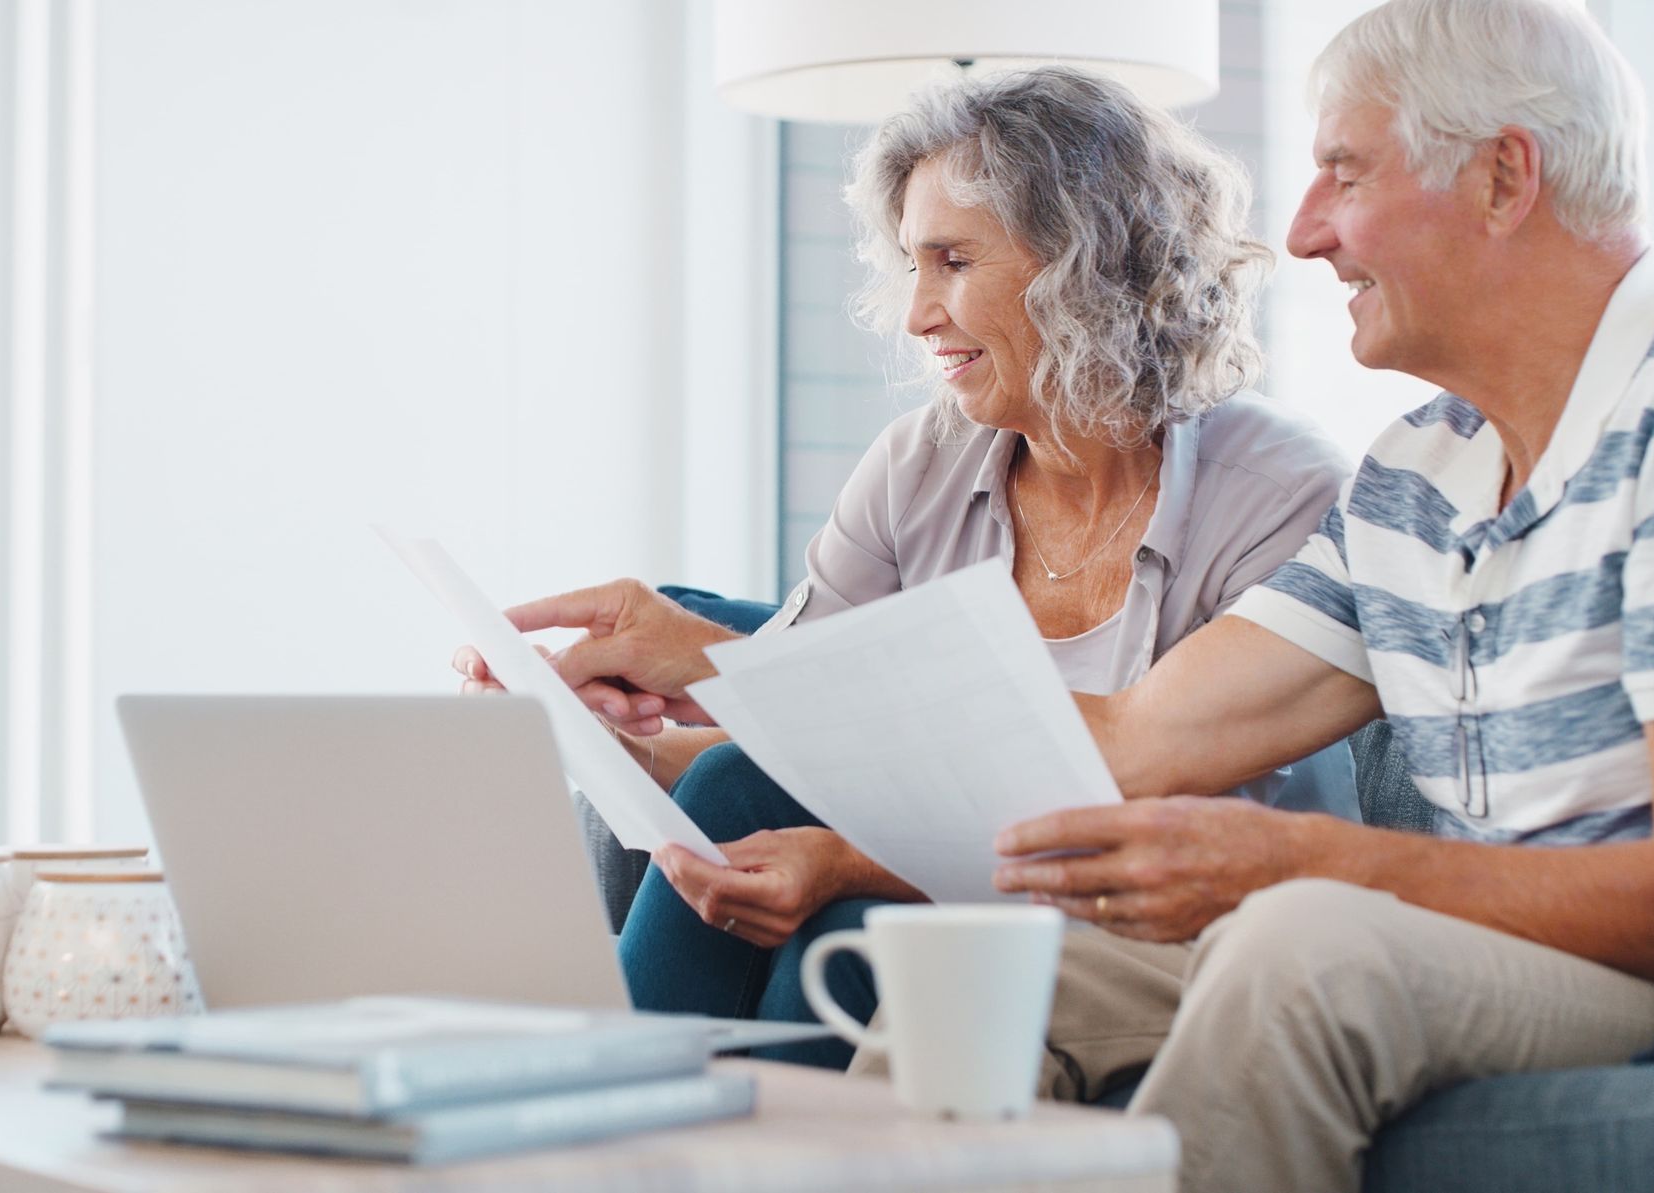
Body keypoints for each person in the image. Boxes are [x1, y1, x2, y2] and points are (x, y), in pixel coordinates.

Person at [971, 1, 1654, 1189]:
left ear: (1502, 177)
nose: (1304, 230)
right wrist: (786, 763)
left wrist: (1302, 862)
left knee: (1301, 943)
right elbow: (1133, 739)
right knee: (1017, 966)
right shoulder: (1414, 472)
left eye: (1343, 172)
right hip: (1473, 949)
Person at [456, 67, 1357, 1067]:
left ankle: (589, 1112)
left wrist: (832, 839)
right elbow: (786, 761)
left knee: (799, 880)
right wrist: (607, 745)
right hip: (954, 888)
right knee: (805, 910)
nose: (916, 312)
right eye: (912, 265)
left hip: (1165, 912)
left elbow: (1165, 803)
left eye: (953, 262)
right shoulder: (920, 464)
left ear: (1082, 262)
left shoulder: (1276, 488)